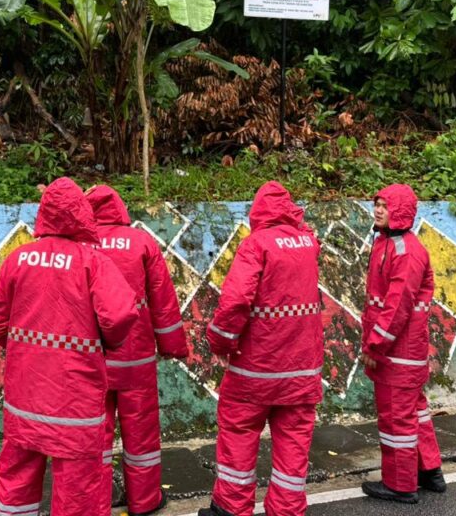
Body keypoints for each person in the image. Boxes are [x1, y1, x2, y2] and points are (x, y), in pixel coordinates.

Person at [0, 177, 139, 516]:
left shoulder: (18, 259)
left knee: (16, 479)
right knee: (79, 491)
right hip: (75, 400)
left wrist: (24, 352)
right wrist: (107, 345)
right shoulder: (93, 262)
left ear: (44, 214)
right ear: (82, 214)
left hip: (24, 399)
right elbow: (121, 315)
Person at [198, 181, 324, 516]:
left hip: (256, 369)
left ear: (258, 211)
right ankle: (286, 509)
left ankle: (231, 506)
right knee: (294, 441)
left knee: (239, 433)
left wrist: (220, 341)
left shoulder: (256, 245)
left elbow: (235, 302)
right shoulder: (308, 242)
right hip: (302, 370)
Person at [85, 185, 189, 516]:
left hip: (91, 361)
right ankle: (144, 501)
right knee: (142, 432)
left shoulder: (80, 245)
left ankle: (95, 502)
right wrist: (173, 346)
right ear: (120, 209)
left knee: (94, 436)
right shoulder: (142, 242)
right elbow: (162, 300)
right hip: (136, 357)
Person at [359, 184, 446, 504]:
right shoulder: (389, 243)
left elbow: (396, 307)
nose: (378, 210)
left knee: (396, 417)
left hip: (398, 351)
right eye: (377, 204)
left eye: (385, 206)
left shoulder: (405, 251)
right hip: (402, 349)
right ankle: (429, 471)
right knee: (414, 410)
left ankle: (400, 484)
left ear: (400, 212)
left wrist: (375, 346)